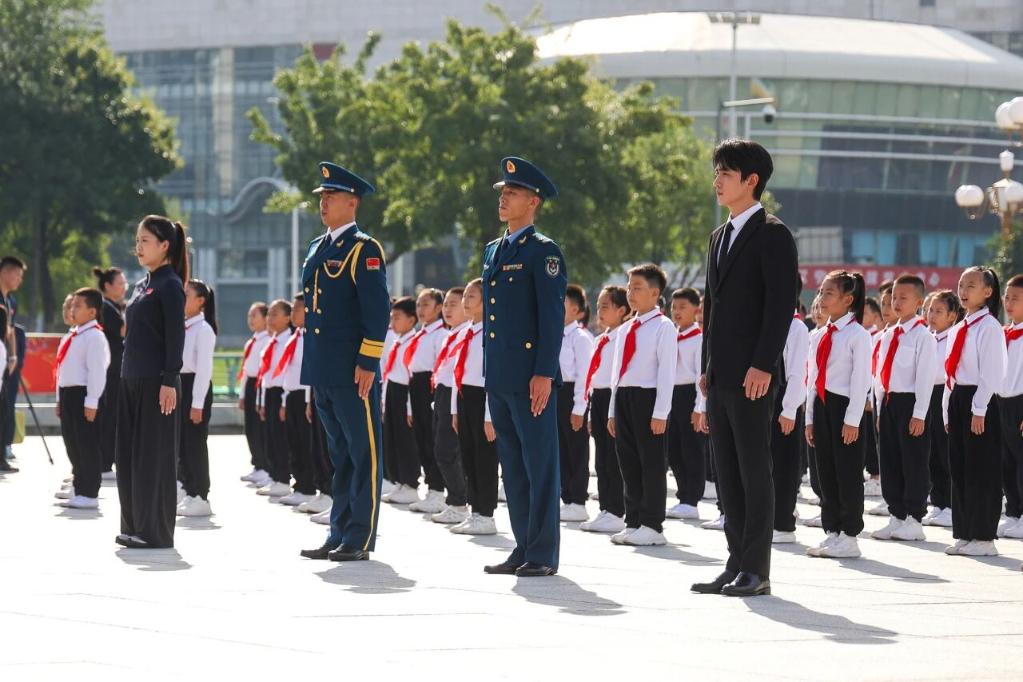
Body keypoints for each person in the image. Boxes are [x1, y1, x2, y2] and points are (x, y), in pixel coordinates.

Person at [692, 139, 799, 598]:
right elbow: (712, 310)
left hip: (753, 376)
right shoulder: (719, 236)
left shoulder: (773, 234)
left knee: (755, 471)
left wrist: (763, 364)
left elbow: (781, 305)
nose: (717, 181)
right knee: (728, 473)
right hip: (720, 375)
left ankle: (757, 569)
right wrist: (707, 366)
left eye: (726, 173)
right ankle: (735, 563)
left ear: (751, 180)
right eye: (716, 172)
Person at [299, 162, 389, 563]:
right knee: (339, 456)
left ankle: (359, 536)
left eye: (331, 197)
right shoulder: (318, 247)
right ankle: (338, 531)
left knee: (362, 454)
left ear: (352, 202)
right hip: (324, 368)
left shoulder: (363, 249)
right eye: (322, 197)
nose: (324, 203)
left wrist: (368, 361)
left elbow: (376, 310)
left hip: (354, 371)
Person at [481, 156, 567, 577]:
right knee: (512, 467)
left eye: (512, 193)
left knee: (539, 466)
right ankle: (523, 546)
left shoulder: (543, 252)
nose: (504, 198)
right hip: (500, 375)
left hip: (531, 376)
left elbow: (551, 318)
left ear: (533, 201)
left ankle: (543, 553)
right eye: (503, 192)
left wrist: (544, 373)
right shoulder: (493, 250)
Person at [116, 215, 187, 550]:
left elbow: (175, 335)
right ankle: (133, 524)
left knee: (153, 458)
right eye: (137, 240)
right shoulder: (142, 284)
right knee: (128, 456)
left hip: (158, 382)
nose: (139, 247)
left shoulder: (170, 284)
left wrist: (170, 379)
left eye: (145, 240)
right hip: (131, 378)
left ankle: (154, 531)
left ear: (164, 245)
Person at [607, 264, 677, 546]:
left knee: (651, 463)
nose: (630, 293)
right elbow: (617, 373)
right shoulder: (626, 328)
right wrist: (612, 410)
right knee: (628, 462)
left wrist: (661, 412)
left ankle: (652, 524)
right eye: (628, 287)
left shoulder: (663, 327)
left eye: (637, 288)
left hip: (648, 398)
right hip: (624, 397)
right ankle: (633, 520)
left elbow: (667, 372)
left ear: (655, 293)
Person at [804, 271, 871, 560]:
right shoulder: (819, 334)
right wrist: (809, 418)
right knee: (825, 471)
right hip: (822, 405)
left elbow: (860, 380)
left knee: (847, 472)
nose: (822, 297)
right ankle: (832, 529)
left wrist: (852, 419)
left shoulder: (858, 336)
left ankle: (850, 535)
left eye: (829, 292)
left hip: (845, 407)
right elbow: (812, 378)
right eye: (821, 291)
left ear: (848, 299)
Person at [943, 267, 1006, 557]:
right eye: (961, 285)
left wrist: (979, 408)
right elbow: (951, 372)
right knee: (960, 468)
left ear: (987, 292)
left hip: (980, 399)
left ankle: (983, 536)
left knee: (982, 469)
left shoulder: (989, 326)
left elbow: (992, 372)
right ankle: (965, 532)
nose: (963, 291)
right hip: (959, 397)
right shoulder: (959, 327)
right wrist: (947, 409)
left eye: (971, 285)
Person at [871, 274, 937, 543]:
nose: (896, 303)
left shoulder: (923, 336)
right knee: (890, 460)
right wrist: (879, 408)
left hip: (911, 402)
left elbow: (925, 377)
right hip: (889, 402)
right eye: (893, 298)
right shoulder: (889, 334)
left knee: (913, 460)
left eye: (903, 298)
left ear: (919, 302)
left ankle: (914, 518)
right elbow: (880, 374)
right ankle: (896, 514)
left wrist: (919, 413)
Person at [449, 278, 499, 535]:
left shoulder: (492, 332)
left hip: (483, 397)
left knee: (485, 458)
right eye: (465, 296)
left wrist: (490, 415)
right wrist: (454, 410)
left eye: (471, 297)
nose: (465, 302)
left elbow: (494, 376)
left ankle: (486, 514)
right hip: (464, 396)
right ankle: (475, 510)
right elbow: (456, 373)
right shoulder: (464, 332)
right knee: (468, 456)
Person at [579, 285, 629, 534]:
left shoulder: (623, 337)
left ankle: (617, 510)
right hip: (597, 398)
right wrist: (589, 411)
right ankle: (606, 508)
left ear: (622, 310)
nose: (599, 311)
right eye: (598, 306)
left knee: (613, 457)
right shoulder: (601, 339)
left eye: (606, 307)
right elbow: (593, 378)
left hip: (613, 397)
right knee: (600, 459)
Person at [55, 288, 110, 509]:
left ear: (92, 312)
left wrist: (92, 401)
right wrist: (59, 399)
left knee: (87, 444)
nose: (72, 309)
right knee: (73, 444)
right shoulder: (72, 335)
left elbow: (97, 371)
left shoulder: (95, 336)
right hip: (68, 393)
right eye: (72, 305)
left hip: (84, 394)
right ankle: (79, 487)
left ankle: (89, 492)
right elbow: (61, 370)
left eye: (78, 306)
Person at [429, 287, 471, 526]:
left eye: (454, 304)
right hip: (443, 393)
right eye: (445, 304)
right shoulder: (450, 334)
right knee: (441, 448)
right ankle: (456, 500)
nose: (447, 309)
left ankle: (459, 502)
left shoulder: (467, 334)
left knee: (447, 451)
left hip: (457, 394)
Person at [404, 288, 449, 514]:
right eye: (418, 304)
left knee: (433, 440)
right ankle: (431, 488)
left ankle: (438, 490)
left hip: (431, 386)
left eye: (426, 304)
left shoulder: (440, 334)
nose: (420, 309)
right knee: (421, 438)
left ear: (438, 308)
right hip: (416, 386)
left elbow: (439, 366)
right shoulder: (420, 334)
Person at [176, 279, 217, 518]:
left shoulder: (203, 330)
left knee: (195, 444)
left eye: (186, 294)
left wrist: (197, 403)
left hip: (194, 387)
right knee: (182, 443)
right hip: (181, 385)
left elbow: (204, 370)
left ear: (200, 301)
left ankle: (201, 495)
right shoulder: (184, 327)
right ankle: (189, 490)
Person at [666, 287, 707, 521]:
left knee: (692, 449)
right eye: (674, 307)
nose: (677, 312)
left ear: (696, 310)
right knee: (674, 449)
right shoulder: (670, 336)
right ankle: (683, 496)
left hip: (689, 394)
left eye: (683, 307)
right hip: (671, 395)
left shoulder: (699, 339)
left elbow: (701, 375)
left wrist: (698, 407)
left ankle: (692, 500)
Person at [275, 293, 319, 508]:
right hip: (292, 394)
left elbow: (311, 370)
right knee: (294, 443)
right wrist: (284, 400)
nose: (293, 313)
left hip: (304, 395)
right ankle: (299, 486)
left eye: (297, 309)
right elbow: (288, 371)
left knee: (305, 444)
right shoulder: (296, 337)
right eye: (292, 309)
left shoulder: (312, 337)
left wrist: (309, 399)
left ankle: (308, 487)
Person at [770, 305, 810, 544]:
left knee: (784, 464)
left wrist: (789, 409)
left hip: (784, 400)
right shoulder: (767, 320)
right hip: (765, 397)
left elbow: (797, 373)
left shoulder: (796, 327)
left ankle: (784, 524)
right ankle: (770, 519)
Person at [923, 290, 961, 528]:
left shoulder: (954, 338)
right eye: (930, 310)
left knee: (946, 451)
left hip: (946, 394)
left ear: (952, 316)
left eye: (939, 311)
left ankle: (950, 504)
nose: (932, 315)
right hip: (927, 394)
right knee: (931, 452)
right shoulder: (927, 338)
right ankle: (938, 503)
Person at [558, 284, 594, 522]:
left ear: (576, 310)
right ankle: (567, 498)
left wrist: (579, 407)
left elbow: (584, 375)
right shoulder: (552, 334)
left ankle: (578, 500)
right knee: (561, 448)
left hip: (572, 395)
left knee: (576, 449)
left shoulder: (580, 338)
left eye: (562, 304)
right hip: (555, 393)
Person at [380, 297, 421, 505]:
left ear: (411, 320)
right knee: (392, 439)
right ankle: (398, 481)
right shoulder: (397, 341)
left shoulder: (413, 342)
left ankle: (410, 484)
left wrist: (409, 408)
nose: (392, 322)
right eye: (391, 317)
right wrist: (383, 400)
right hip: (392, 392)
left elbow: (411, 377)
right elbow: (388, 373)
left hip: (404, 394)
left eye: (397, 317)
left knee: (406, 441)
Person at [256, 299, 294, 499]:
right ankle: (274, 475)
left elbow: (288, 373)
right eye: (269, 314)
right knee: (269, 436)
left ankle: (283, 478)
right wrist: (262, 401)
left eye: (274, 314)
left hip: (281, 392)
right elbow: (266, 373)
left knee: (280, 438)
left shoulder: (290, 340)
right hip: (269, 392)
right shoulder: (272, 341)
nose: (269, 318)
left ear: (288, 318)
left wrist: (284, 401)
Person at [93, 266, 127, 479]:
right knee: (108, 416)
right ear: (107, 286)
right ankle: (104, 463)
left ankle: (105, 461)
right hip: (110, 371)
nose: (124, 288)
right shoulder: (106, 307)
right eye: (120, 284)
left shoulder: (115, 307)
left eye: (125, 284)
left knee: (112, 416)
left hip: (114, 370)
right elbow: (124, 330)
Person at [999, 275, 1023, 540]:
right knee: (1007, 461)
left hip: (1021, 402)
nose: (1009, 302)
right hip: (1002, 402)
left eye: (1016, 298)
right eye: (1007, 297)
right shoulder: (1004, 334)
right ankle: (1013, 513)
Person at [239, 302, 272, 487]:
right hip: (251, 384)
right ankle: (257, 463)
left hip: (261, 385)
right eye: (249, 316)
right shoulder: (250, 342)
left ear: (265, 318)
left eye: (254, 316)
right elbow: (245, 370)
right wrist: (242, 395)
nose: (250, 320)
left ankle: (264, 465)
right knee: (250, 428)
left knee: (260, 428)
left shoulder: (268, 340)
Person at [0, 256, 25, 469]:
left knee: (5, 407)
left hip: (4, 360)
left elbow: (11, 330)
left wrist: (13, 356)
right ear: (5, 272)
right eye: (17, 275)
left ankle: (2, 454)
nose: (19, 280)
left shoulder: (10, 300)